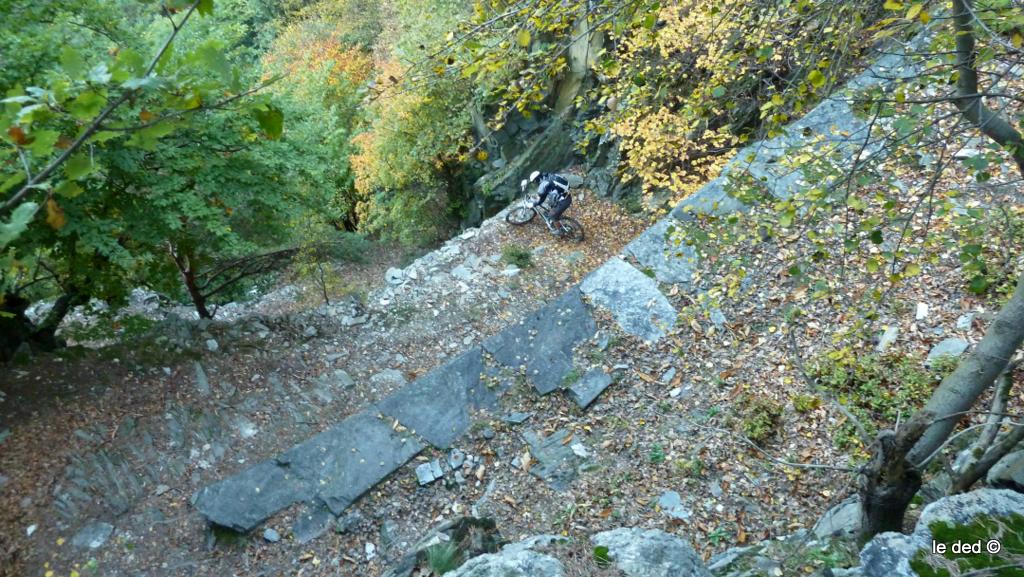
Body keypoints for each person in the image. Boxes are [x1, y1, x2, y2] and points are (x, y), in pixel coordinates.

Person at [529, 170, 572, 234]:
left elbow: (541, 199)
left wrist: (534, 203)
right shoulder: (550, 175)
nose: (535, 183)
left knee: (551, 215)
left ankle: (560, 230)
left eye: (535, 181)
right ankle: (558, 218)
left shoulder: (543, 184)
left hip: (564, 201)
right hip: (567, 196)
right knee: (550, 206)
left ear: (537, 179)